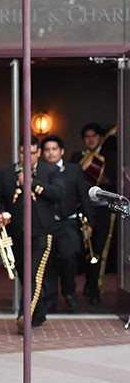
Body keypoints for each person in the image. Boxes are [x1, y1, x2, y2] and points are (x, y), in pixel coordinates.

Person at [0, 136, 65, 333]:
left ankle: (25, 317)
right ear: (18, 152)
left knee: (33, 274)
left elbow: (59, 193)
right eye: (23, 153)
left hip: (42, 232)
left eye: (31, 153)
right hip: (16, 233)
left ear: (38, 152)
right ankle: (38, 314)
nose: (27, 157)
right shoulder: (7, 172)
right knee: (24, 274)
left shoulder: (51, 170)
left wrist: (33, 183)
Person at [40, 135, 95, 313]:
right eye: (47, 150)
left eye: (54, 149)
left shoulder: (74, 169)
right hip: (45, 224)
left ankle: (69, 290)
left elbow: (83, 196)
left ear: (61, 151)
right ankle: (50, 297)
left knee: (69, 255)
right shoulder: (38, 171)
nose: (51, 153)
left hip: (68, 222)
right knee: (46, 262)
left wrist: (90, 221)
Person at [69, 122, 118, 305]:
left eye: (94, 136)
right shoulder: (76, 158)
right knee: (81, 247)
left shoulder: (110, 157)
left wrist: (107, 180)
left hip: (104, 208)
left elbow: (117, 183)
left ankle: (95, 288)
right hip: (82, 207)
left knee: (100, 248)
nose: (90, 139)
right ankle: (83, 283)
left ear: (100, 138)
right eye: (87, 136)